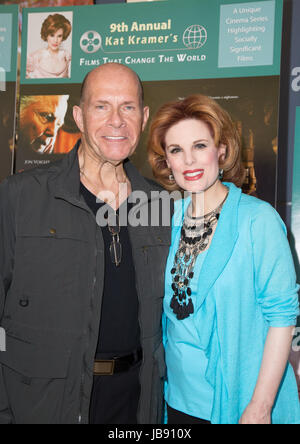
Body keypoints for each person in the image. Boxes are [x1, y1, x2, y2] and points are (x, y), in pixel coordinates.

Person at [0, 63, 171, 424]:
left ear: (143, 117)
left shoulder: (160, 204)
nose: (116, 120)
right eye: (101, 106)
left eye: (127, 107)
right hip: (43, 404)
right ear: (78, 116)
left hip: (135, 402)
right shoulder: (22, 197)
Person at [148, 94, 300, 424]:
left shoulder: (257, 220)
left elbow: (282, 317)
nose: (189, 160)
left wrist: (260, 406)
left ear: (221, 150)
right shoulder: (166, 220)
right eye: (176, 150)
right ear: (167, 163)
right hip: (173, 402)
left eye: (200, 145)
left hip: (238, 403)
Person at [26, 13, 72, 79]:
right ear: (46, 35)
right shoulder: (35, 57)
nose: (55, 40)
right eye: (52, 35)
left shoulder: (66, 56)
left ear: (63, 36)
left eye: (59, 36)